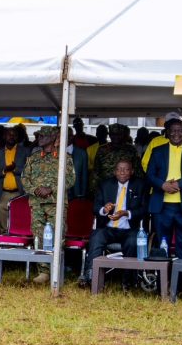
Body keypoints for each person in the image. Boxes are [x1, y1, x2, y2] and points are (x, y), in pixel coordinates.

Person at [79, 158, 147, 288]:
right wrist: (104, 209)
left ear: (132, 171)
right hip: (108, 228)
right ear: (114, 172)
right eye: (119, 169)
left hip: (129, 230)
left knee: (133, 241)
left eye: (126, 169)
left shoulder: (140, 185)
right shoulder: (105, 185)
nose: (122, 172)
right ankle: (92, 277)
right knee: (96, 236)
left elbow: (145, 209)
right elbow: (95, 207)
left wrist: (127, 213)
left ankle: (128, 281)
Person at [21, 126, 75, 284]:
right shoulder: (33, 157)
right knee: (38, 236)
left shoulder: (65, 158)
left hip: (56, 203)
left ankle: (55, 269)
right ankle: (43, 272)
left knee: (58, 236)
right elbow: (25, 178)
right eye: (39, 136)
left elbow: (70, 180)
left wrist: (51, 189)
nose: (40, 138)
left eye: (44, 136)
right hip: (37, 203)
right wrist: (36, 190)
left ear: (53, 138)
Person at [146, 118, 182, 260]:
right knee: (162, 244)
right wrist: (162, 185)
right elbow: (149, 175)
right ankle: (163, 281)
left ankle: (181, 281)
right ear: (167, 132)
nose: (176, 134)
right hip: (162, 206)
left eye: (179, 130)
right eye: (172, 131)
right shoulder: (157, 151)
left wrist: (181, 184)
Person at [0, 126, 29, 234]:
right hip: (3, 194)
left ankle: (18, 245)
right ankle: (4, 244)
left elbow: (30, 172)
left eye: (14, 134)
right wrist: (4, 171)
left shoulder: (24, 151)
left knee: (19, 225)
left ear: (17, 137)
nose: (11, 136)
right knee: (4, 228)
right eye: (9, 134)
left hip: (19, 193)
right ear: (4, 136)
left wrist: (15, 169)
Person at [89, 123, 140, 194]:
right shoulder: (102, 149)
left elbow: (137, 171)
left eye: (119, 134)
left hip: (126, 187)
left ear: (123, 135)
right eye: (113, 134)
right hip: (105, 187)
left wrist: (138, 188)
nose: (116, 137)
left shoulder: (131, 149)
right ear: (109, 135)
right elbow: (96, 171)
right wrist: (94, 188)